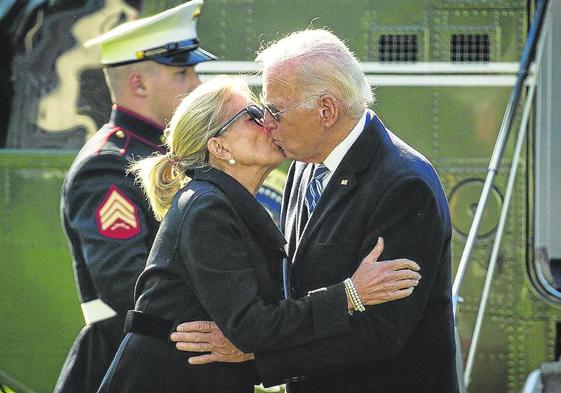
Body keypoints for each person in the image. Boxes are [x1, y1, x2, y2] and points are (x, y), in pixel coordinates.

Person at [172, 29, 459, 393]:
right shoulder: (304, 164)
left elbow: (381, 332)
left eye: (274, 111)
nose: (267, 123)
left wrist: (255, 355)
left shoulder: (403, 184)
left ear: (326, 110)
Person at [96, 75, 422, 393]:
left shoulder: (221, 204)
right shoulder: (207, 209)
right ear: (220, 147)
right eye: (252, 116)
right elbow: (251, 327)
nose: (268, 121)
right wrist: (350, 294)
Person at [54, 2, 216, 393]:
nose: (196, 84)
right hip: (126, 365)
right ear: (139, 84)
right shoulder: (109, 167)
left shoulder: (165, 154)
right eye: (182, 72)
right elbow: (126, 284)